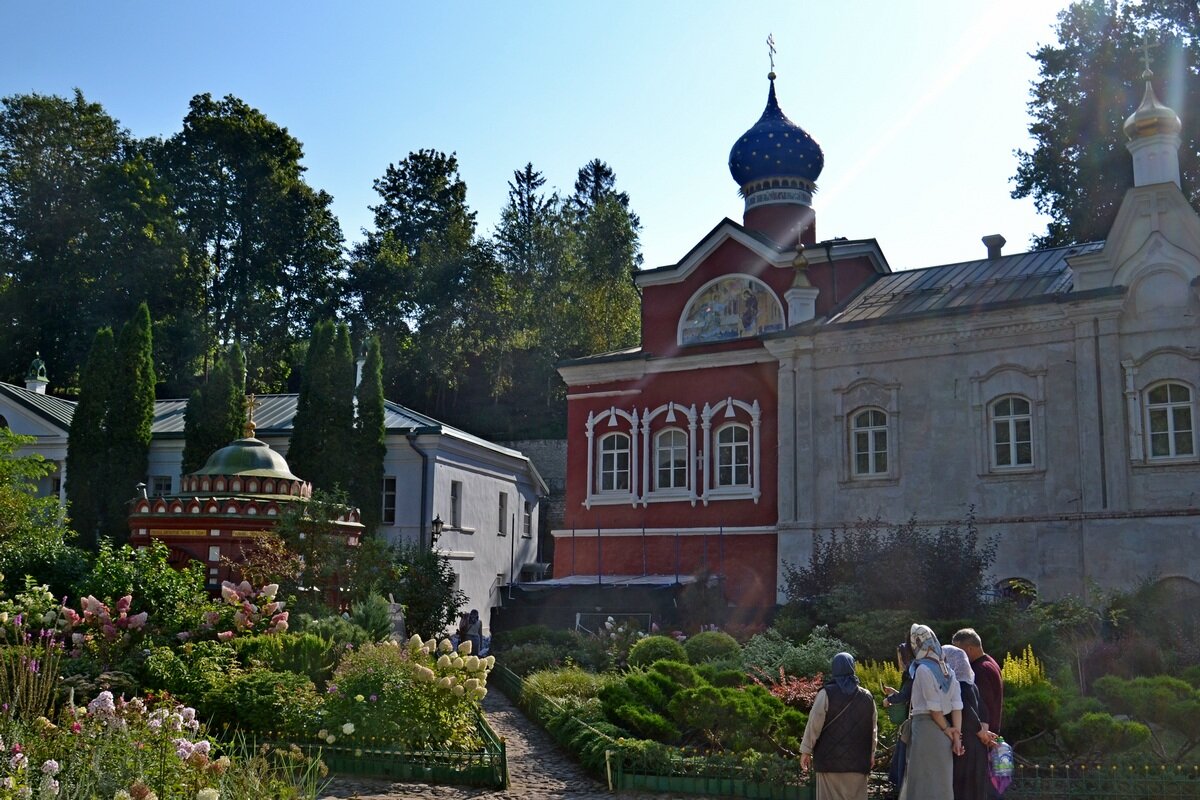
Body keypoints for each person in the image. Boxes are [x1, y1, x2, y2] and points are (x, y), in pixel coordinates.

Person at [800, 652, 877, 800]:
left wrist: (806, 751)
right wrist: (871, 753)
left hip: (829, 763)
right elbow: (872, 729)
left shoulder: (825, 694)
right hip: (858, 763)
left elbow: (813, 724)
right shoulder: (867, 697)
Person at [898, 624, 963, 800]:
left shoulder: (923, 669)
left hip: (926, 730)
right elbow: (957, 705)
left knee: (921, 783)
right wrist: (955, 735)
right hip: (946, 733)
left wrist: (946, 729)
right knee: (941, 783)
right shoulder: (949, 670)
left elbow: (934, 710)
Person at [943, 644, 992, 800]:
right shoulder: (972, 685)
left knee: (963, 789)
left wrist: (979, 731)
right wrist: (984, 732)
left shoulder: (958, 686)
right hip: (978, 746)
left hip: (965, 744)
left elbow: (966, 712)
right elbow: (984, 711)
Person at [952, 628, 1003, 736]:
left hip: (983, 734)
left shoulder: (979, 670)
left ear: (969, 649)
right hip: (990, 731)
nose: (956, 656)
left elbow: (981, 704)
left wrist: (981, 731)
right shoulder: (991, 663)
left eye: (958, 651)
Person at [883, 642, 915, 791]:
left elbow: (906, 696)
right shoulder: (916, 670)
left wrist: (888, 699)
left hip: (913, 721)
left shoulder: (910, 671)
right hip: (915, 719)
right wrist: (895, 692)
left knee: (903, 757)